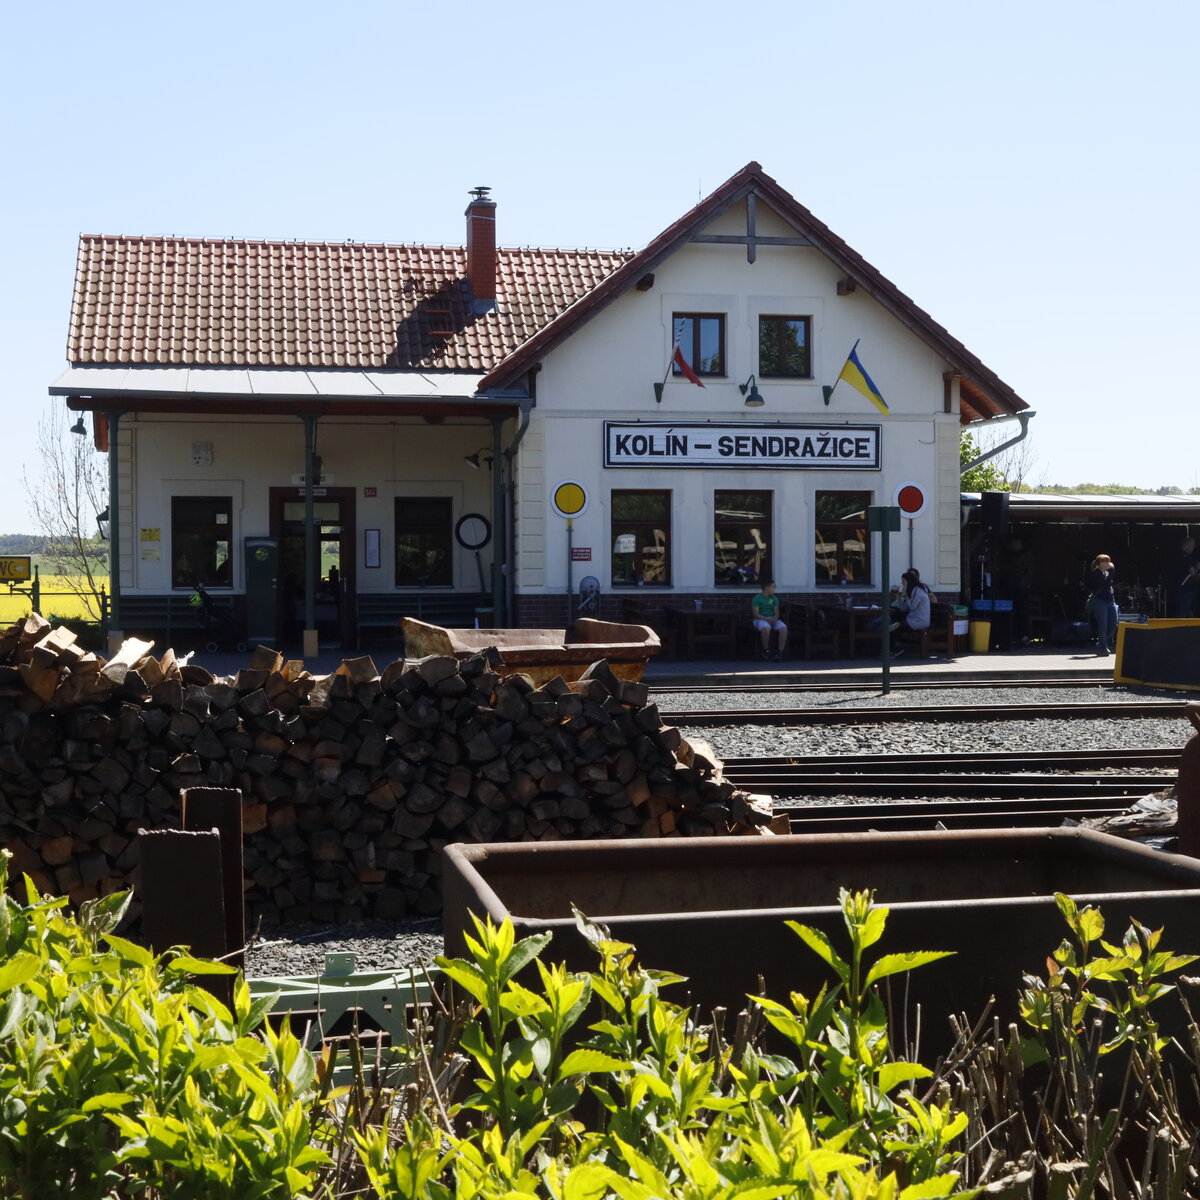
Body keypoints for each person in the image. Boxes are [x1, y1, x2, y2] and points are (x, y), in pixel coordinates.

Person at [889, 568, 932, 658]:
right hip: (913, 619)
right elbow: (903, 607)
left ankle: (896, 649)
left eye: (903, 582)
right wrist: (899, 595)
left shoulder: (918, 591)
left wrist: (905, 595)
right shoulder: (913, 591)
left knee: (894, 626)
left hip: (919, 621)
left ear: (908, 582)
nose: (902, 583)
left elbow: (912, 607)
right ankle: (893, 648)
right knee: (895, 618)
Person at [1088, 553, 1118, 656]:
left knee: (1113, 624)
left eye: (1107, 562)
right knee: (1103, 624)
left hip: (1110, 600)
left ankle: (1101, 642)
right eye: (1103, 562)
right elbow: (1105, 584)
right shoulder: (1095, 573)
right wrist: (1112, 571)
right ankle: (1103, 647)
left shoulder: (1107, 573)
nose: (1106, 564)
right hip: (1099, 601)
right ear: (1098, 564)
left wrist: (1109, 572)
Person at [750, 580, 788, 662]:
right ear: (766, 588)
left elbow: (776, 611)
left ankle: (780, 652)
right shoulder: (757, 598)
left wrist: (775, 618)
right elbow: (756, 614)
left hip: (772, 618)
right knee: (766, 628)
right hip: (760, 619)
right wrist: (768, 619)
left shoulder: (774, 598)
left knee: (783, 628)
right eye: (773, 587)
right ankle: (765, 651)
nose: (774, 589)